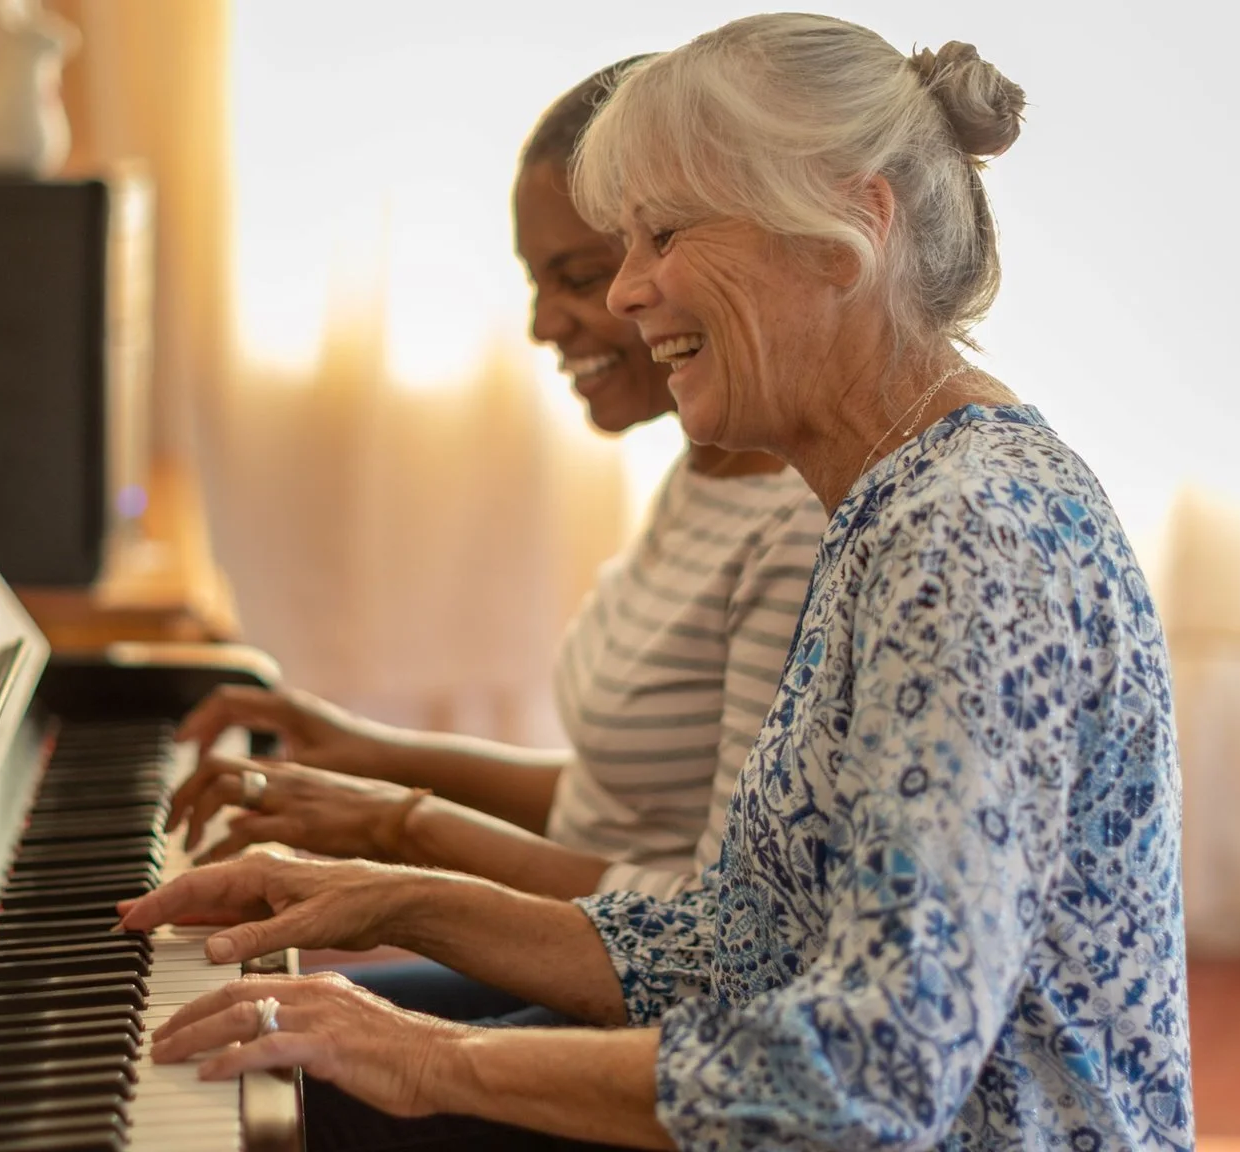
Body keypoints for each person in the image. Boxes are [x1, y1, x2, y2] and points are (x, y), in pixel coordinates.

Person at [123, 14, 1192, 1152]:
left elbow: (872, 1076)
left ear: (848, 227)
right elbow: (743, 944)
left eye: (662, 235)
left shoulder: (968, 536)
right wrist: (392, 890)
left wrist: (428, 1052)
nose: (628, 293)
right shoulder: (891, 503)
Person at [166, 61, 826, 972]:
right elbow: (611, 806)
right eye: (536, 281)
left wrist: (397, 825)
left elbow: (714, 933)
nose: (543, 325)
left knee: (265, 1038)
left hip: (640, 1005)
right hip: (588, 962)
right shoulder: (706, 471)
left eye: (578, 277)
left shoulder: (792, 531)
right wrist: (369, 754)